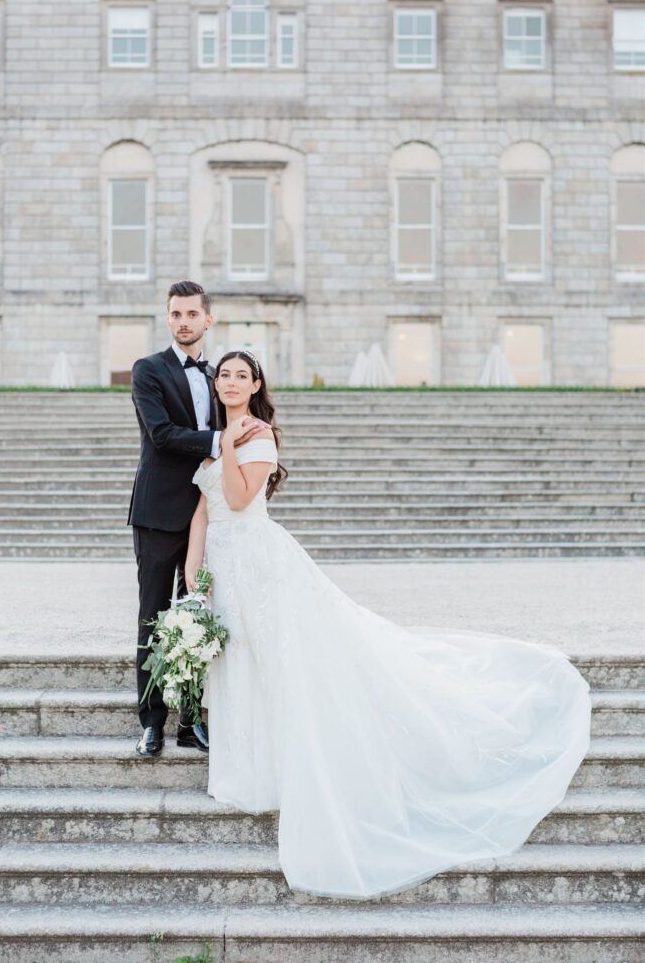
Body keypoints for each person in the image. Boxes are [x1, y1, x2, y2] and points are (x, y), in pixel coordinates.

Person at [185, 348, 592, 900]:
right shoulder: (214, 438)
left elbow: (237, 496)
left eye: (241, 375)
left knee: (278, 658)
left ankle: (286, 770)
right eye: (224, 375)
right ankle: (246, 773)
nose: (231, 382)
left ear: (256, 384)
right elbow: (204, 509)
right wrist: (193, 572)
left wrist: (232, 445)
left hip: (258, 562)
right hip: (222, 567)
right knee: (239, 659)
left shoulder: (256, 437)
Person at [128, 281, 268, 758]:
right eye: (175, 314)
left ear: (208, 319)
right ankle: (151, 723)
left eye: (192, 314)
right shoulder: (148, 370)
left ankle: (191, 721)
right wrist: (225, 441)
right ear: (168, 319)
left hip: (211, 516)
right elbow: (163, 435)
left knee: (200, 617)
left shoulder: (218, 374)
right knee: (154, 616)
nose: (183, 321)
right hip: (160, 512)